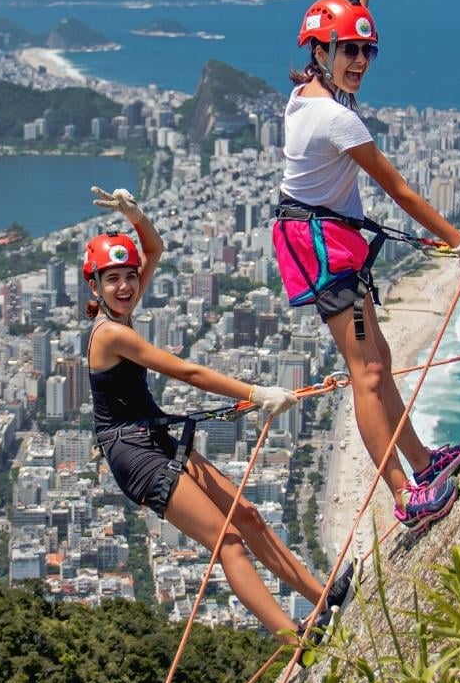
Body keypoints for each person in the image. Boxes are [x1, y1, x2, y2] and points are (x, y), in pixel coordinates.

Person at [272, 0, 460, 535]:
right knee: (367, 373)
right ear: (319, 53)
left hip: (321, 234)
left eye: (367, 50)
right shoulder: (336, 120)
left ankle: (423, 462)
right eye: (349, 51)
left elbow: (351, 8)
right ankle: (404, 497)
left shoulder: (316, 92)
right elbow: (396, 188)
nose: (360, 61)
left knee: (381, 358)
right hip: (319, 243)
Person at [83, 185, 354, 639]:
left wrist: (136, 215)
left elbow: (154, 247)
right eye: (113, 279)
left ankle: (324, 597)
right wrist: (258, 391)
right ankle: (295, 641)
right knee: (226, 542)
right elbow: (187, 371)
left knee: (247, 515)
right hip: (133, 453)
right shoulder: (110, 333)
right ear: (95, 286)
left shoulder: (122, 309)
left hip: (155, 435)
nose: (126, 285)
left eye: (130, 276)